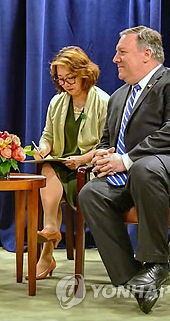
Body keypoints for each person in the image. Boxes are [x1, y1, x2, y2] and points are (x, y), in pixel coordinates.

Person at [78, 26, 170, 314]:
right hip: (137, 176)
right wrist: (104, 156)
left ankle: (156, 262)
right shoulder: (117, 98)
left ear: (147, 55)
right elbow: (108, 141)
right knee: (92, 193)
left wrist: (126, 160)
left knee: (145, 167)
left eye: (122, 52)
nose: (114, 59)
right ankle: (134, 279)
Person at [30, 46, 109, 280]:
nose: (65, 84)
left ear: (84, 73)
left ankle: (48, 249)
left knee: (54, 173)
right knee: (47, 167)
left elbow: (109, 144)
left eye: (70, 78)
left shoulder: (104, 101)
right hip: (62, 165)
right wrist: (43, 149)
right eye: (60, 79)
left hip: (92, 169)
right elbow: (47, 136)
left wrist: (83, 159)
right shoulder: (57, 103)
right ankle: (51, 231)